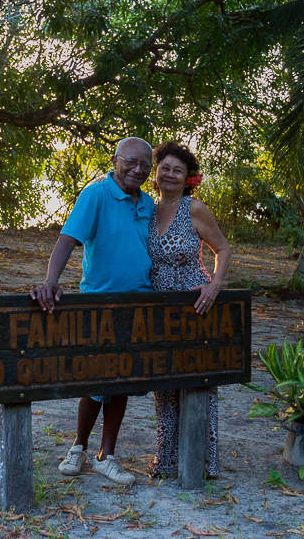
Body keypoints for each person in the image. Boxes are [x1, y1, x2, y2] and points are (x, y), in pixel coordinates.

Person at [30, 136, 155, 486]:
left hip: (137, 306)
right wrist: (50, 281)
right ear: (115, 160)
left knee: (121, 381)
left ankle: (107, 455)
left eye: (145, 165)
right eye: (131, 161)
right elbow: (68, 239)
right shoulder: (96, 194)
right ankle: (79, 446)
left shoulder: (147, 204)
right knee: (96, 378)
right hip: (100, 303)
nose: (138, 169)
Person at [148, 141, 232, 479]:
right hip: (160, 308)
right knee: (164, 383)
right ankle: (166, 460)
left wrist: (214, 286)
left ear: (187, 179)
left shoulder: (194, 208)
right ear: (155, 174)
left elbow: (223, 249)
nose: (170, 174)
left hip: (194, 304)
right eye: (164, 168)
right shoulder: (148, 210)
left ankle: (202, 461)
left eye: (177, 170)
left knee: (198, 382)